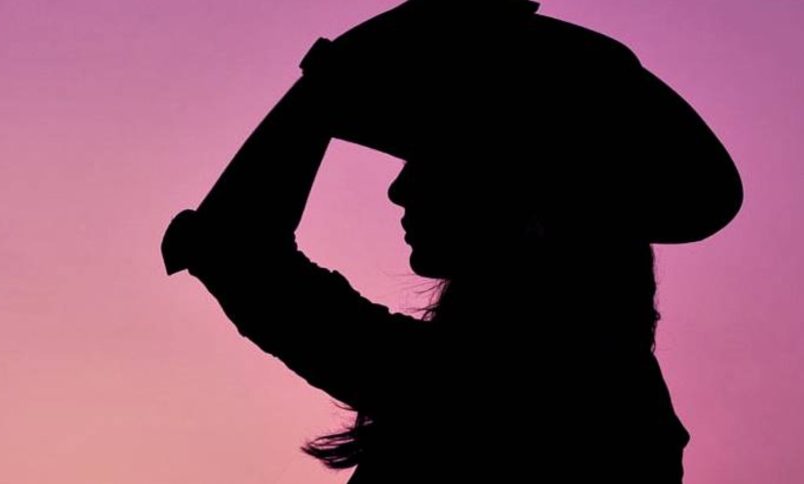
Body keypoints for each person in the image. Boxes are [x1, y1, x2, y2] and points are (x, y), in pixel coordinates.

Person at [160, 1, 743, 482]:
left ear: (521, 188)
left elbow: (237, 247)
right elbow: (240, 251)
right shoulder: (588, 387)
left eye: (434, 159)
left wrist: (332, 80)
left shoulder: (516, 388)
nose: (398, 187)